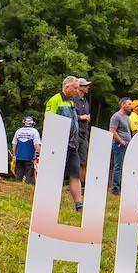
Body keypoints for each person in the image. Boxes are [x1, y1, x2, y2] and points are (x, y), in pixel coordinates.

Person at [42, 77, 86, 211]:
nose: (77, 90)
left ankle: (79, 205)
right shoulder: (55, 100)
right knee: (56, 174)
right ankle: (49, 202)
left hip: (73, 144)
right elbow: (48, 120)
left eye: (78, 88)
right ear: (67, 87)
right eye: (75, 88)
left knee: (75, 173)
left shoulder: (71, 102)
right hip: (59, 144)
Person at [107, 98, 134, 194]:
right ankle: (115, 188)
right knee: (118, 166)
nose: (131, 106)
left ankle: (123, 187)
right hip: (119, 145)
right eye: (129, 104)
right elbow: (112, 130)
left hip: (127, 145)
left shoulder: (127, 118)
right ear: (123, 104)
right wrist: (121, 141)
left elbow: (128, 131)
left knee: (125, 166)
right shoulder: (116, 116)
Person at [12, 115, 40, 184]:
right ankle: (26, 187)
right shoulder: (34, 131)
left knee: (19, 174)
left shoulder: (18, 131)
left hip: (19, 156)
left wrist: (14, 155)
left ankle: (17, 187)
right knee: (28, 175)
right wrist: (39, 154)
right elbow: (36, 145)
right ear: (32, 123)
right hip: (30, 157)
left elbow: (14, 144)